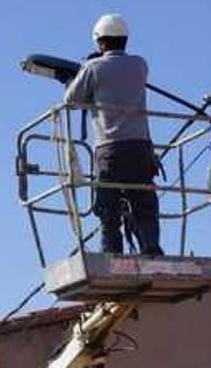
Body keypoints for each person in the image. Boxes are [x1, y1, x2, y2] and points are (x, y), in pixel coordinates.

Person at [64, 13, 163, 255]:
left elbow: (72, 100)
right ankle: (150, 247)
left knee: (108, 207)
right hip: (141, 147)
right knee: (143, 203)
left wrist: (78, 76)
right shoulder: (140, 65)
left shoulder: (93, 67)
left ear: (100, 42)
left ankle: (112, 254)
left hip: (110, 149)